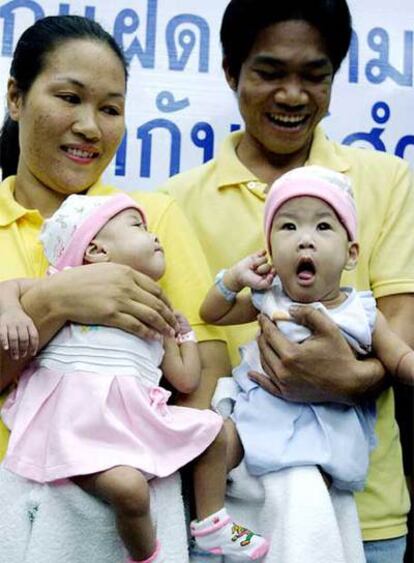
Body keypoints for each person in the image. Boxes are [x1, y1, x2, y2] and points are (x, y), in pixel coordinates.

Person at [161, 1, 414, 561]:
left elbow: (399, 325)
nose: (293, 95)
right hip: (231, 512)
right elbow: (193, 337)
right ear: (231, 72)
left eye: (314, 75)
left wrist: (348, 378)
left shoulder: (388, 180)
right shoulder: (174, 200)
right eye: (270, 73)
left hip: (366, 512)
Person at [0, 13, 230, 560]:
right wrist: (55, 302)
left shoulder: (154, 218)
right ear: (15, 97)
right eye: (69, 97)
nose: (89, 126)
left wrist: (141, 478)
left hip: (134, 509)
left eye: (110, 108)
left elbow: (203, 381)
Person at [0, 193, 269, 563]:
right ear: (95, 250)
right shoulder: (64, 282)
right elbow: (9, 288)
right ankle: (148, 555)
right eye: (137, 226)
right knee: (129, 490)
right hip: (75, 430)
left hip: (133, 425)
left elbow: (186, 380)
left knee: (215, 432)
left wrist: (183, 336)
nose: (154, 234)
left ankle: (211, 522)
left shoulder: (156, 307)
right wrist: (11, 313)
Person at [201, 165, 414, 496]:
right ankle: (214, 524)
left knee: (309, 500)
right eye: (288, 226)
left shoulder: (363, 312)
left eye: (324, 226)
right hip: (257, 419)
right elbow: (214, 312)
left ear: (351, 253)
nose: (305, 240)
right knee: (217, 450)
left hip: (323, 436)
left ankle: (306, 539)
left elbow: (399, 358)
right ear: (270, 250)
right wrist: (233, 279)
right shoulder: (267, 298)